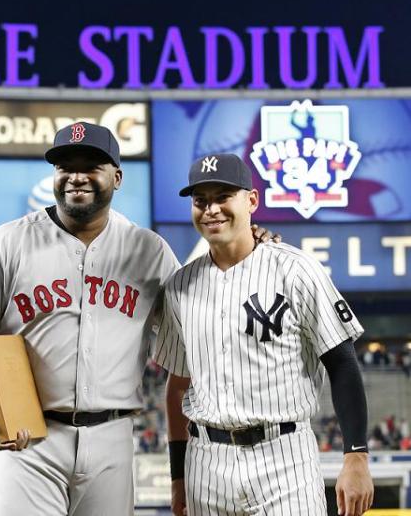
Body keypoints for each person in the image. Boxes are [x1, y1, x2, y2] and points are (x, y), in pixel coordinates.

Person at [0, 122, 181, 516]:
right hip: (30, 439)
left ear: (117, 177)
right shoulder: (9, 241)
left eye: (91, 166)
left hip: (112, 436)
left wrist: (250, 249)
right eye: (65, 166)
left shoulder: (148, 250)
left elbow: (197, 317)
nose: (76, 177)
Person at [154, 153, 373, 516]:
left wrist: (356, 455)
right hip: (206, 462)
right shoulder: (180, 286)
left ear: (251, 201)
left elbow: (342, 364)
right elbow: (178, 385)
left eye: (223, 196)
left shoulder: (297, 270)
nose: (211, 209)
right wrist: (178, 476)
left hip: (284, 456)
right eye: (200, 201)